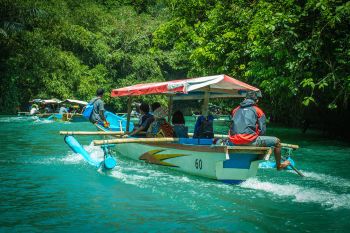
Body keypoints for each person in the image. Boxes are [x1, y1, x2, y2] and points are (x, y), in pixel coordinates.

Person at [228, 91, 290, 170]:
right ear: (257, 101)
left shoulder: (235, 110)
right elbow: (263, 131)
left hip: (233, 142)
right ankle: (279, 166)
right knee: (277, 142)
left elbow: (232, 126)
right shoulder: (258, 111)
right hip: (250, 141)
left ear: (244, 99)